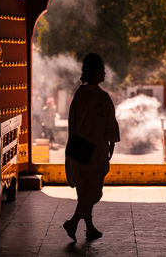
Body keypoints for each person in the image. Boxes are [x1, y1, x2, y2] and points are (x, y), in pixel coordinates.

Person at [63, 53, 120, 242]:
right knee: (93, 191)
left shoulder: (79, 94)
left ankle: (89, 227)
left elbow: (73, 122)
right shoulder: (101, 97)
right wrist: (111, 143)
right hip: (95, 151)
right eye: (101, 71)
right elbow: (109, 124)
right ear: (95, 73)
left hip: (78, 149)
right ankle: (72, 223)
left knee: (84, 189)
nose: (104, 74)